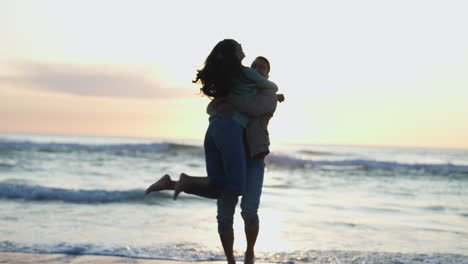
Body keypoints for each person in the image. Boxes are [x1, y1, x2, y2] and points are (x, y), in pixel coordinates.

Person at [145, 40, 280, 264]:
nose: (256, 69)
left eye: (262, 68)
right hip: (231, 151)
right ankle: (230, 260)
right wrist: (221, 102)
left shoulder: (267, 96)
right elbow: (213, 105)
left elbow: (254, 108)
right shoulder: (240, 86)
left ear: (266, 75)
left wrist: (228, 101)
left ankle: (249, 252)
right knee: (224, 215)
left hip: (253, 159)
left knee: (248, 211)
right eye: (254, 66)